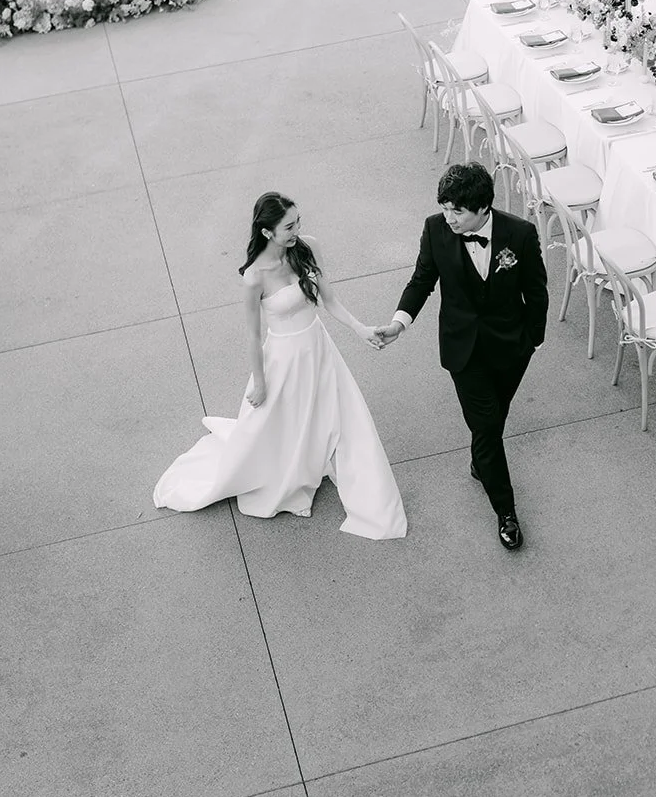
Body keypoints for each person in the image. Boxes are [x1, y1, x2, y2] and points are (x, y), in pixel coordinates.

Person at [153, 192, 407, 540]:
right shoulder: (255, 277)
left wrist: (361, 330)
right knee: (282, 425)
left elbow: (329, 300)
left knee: (343, 418)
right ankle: (285, 476)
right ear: (267, 232)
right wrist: (259, 382)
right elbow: (253, 336)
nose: (297, 231)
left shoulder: (308, 247)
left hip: (318, 349)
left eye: (298, 222)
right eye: (289, 226)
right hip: (283, 360)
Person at [374, 162, 547, 551]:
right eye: (445, 207)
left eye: (458, 211)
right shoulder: (435, 229)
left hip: (511, 348)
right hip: (463, 349)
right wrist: (398, 323)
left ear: (483, 208)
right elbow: (422, 280)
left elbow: (536, 290)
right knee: (487, 427)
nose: (448, 217)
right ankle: (505, 511)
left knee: (493, 419)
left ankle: (480, 461)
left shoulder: (519, 234)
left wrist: (534, 340)